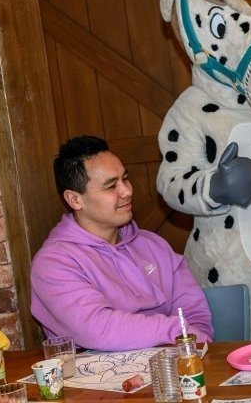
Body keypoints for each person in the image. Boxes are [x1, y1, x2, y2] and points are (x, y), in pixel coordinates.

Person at [30, 135, 213, 350]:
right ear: (75, 200)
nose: (127, 191)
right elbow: (98, 330)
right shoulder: (53, 263)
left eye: (124, 178)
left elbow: (195, 316)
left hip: (174, 370)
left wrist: (189, 348)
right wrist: (177, 332)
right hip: (95, 381)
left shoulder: (153, 245)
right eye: (110, 186)